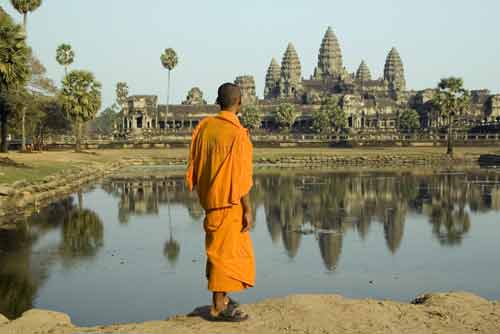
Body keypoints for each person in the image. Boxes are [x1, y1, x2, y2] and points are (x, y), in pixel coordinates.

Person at [186, 83, 255, 322]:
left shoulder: (205, 128)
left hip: (210, 200)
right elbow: (241, 177)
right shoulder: (238, 134)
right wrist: (247, 207)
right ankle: (217, 307)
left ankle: (222, 297)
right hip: (229, 202)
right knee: (223, 254)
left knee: (218, 251)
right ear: (239, 102)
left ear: (218, 101)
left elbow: (195, 164)